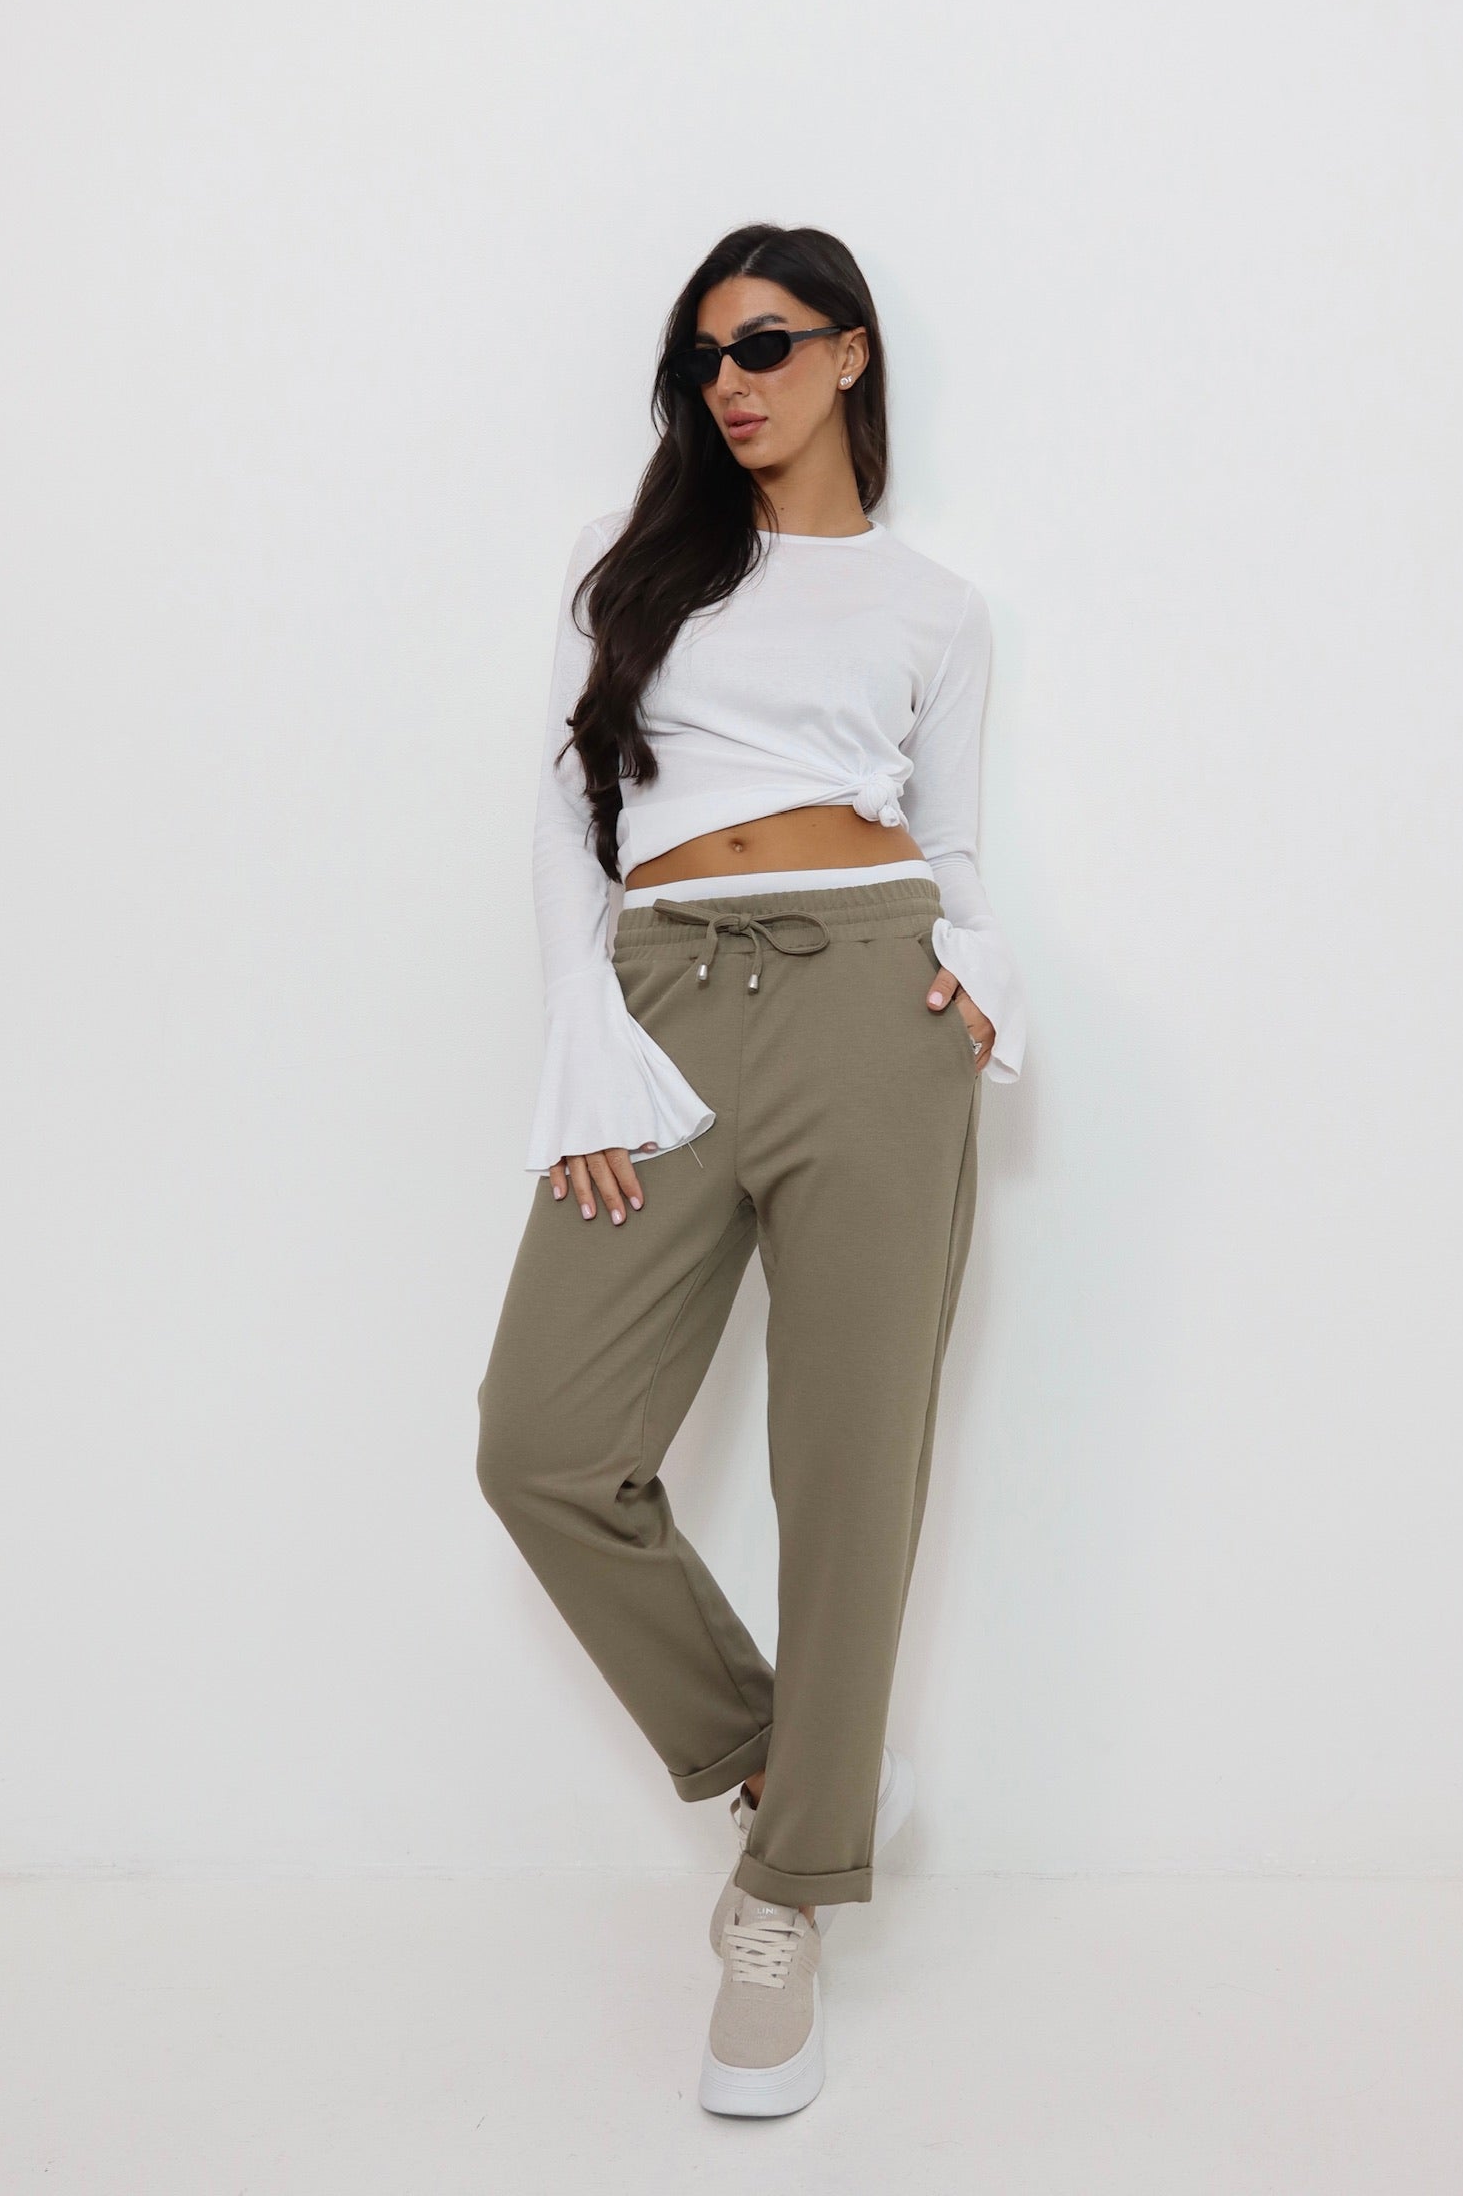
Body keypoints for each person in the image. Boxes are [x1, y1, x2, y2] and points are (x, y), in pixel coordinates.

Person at [476, 222, 1026, 2117]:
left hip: (881, 1000)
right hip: (664, 1003)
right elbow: (567, 811)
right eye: (706, 356)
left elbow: (956, 848)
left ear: (852, 354)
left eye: (770, 343)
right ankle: (793, 1765)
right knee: (545, 1447)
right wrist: (582, 1036)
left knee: (849, 1466)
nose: (733, 381)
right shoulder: (631, 566)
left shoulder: (936, 610)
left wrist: (976, 975)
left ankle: (787, 1895)